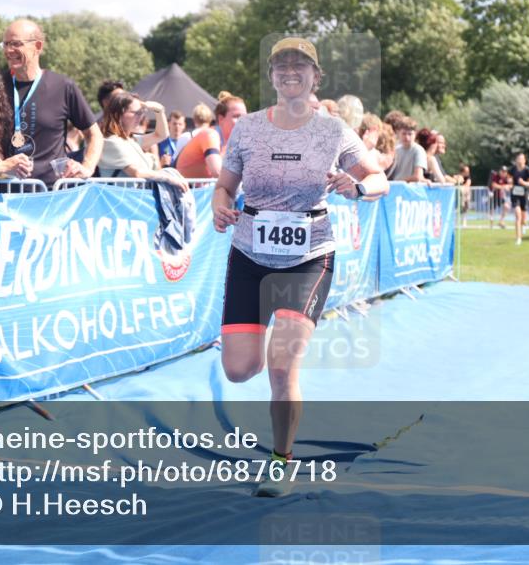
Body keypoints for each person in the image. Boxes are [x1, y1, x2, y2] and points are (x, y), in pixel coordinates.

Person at [211, 37, 388, 497]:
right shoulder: (246, 129)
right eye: (281, 65)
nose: (290, 71)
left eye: (301, 66)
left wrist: (358, 188)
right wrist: (219, 205)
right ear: (271, 76)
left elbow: (379, 177)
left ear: (316, 77)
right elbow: (224, 187)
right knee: (238, 369)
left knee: (282, 366)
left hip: (308, 257)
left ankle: (280, 460)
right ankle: (266, 338)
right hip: (249, 255)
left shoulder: (334, 132)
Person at [0, 19, 102, 187]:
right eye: (5, 44)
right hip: (5, 193)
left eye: (16, 44)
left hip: (51, 195)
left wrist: (88, 167)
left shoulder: (62, 86)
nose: (9, 50)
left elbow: (94, 134)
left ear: (37, 46)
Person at [97, 90, 188, 190]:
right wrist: (169, 178)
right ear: (119, 114)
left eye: (142, 112)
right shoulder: (111, 142)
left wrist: (159, 111)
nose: (140, 117)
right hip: (120, 203)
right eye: (136, 113)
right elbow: (137, 172)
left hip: (133, 201)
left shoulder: (131, 140)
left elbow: (161, 135)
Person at [176, 93, 247, 179]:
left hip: (201, 190)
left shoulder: (233, 143)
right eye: (236, 116)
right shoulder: (210, 135)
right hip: (186, 190)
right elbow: (217, 172)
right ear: (221, 119)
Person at [390, 117, 429, 182]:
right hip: (396, 188)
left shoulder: (419, 151)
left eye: (410, 134)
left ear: (415, 134)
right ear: (398, 133)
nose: (407, 137)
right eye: (404, 134)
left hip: (410, 189)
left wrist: (398, 181)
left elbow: (417, 177)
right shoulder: (396, 150)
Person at [509, 153, 529, 245]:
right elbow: (509, 179)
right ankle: (518, 238)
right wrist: (509, 183)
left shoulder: (527, 170)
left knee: (523, 218)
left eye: (521, 159)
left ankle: (523, 225)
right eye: (518, 159)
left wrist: (523, 183)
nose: (519, 161)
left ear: (524, 160)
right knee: (517, 216)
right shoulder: (513, 169)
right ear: (516, 160)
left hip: (524, 195)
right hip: (515, 195)